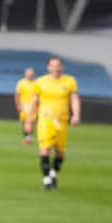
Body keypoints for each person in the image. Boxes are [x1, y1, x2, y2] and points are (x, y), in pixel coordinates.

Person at [25, 56, 80, 190]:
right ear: (48, 67)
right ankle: (46, 180)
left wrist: (76, 114)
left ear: (62, 67)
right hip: (45, 120)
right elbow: (34, 102)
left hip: (62, 121)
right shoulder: (40, 82)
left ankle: (53, 173)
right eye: (53, 65)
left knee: (60, 152)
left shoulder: (70, 81)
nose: (55, 68)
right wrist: (29, 120)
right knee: (45, 149)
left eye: (58, 65)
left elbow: (74, 99)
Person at [15, 67, 37, 144]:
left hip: (33, 106)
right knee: (24, 122)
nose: (30, 75)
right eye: (28, 73)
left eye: (31, 73)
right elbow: (17, 95)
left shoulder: (37, 83)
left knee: (30, 122)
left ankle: (28, 137)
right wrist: (18, 105)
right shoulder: (21, 83)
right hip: (23, 105)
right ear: (25, 74)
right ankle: (27, 137)